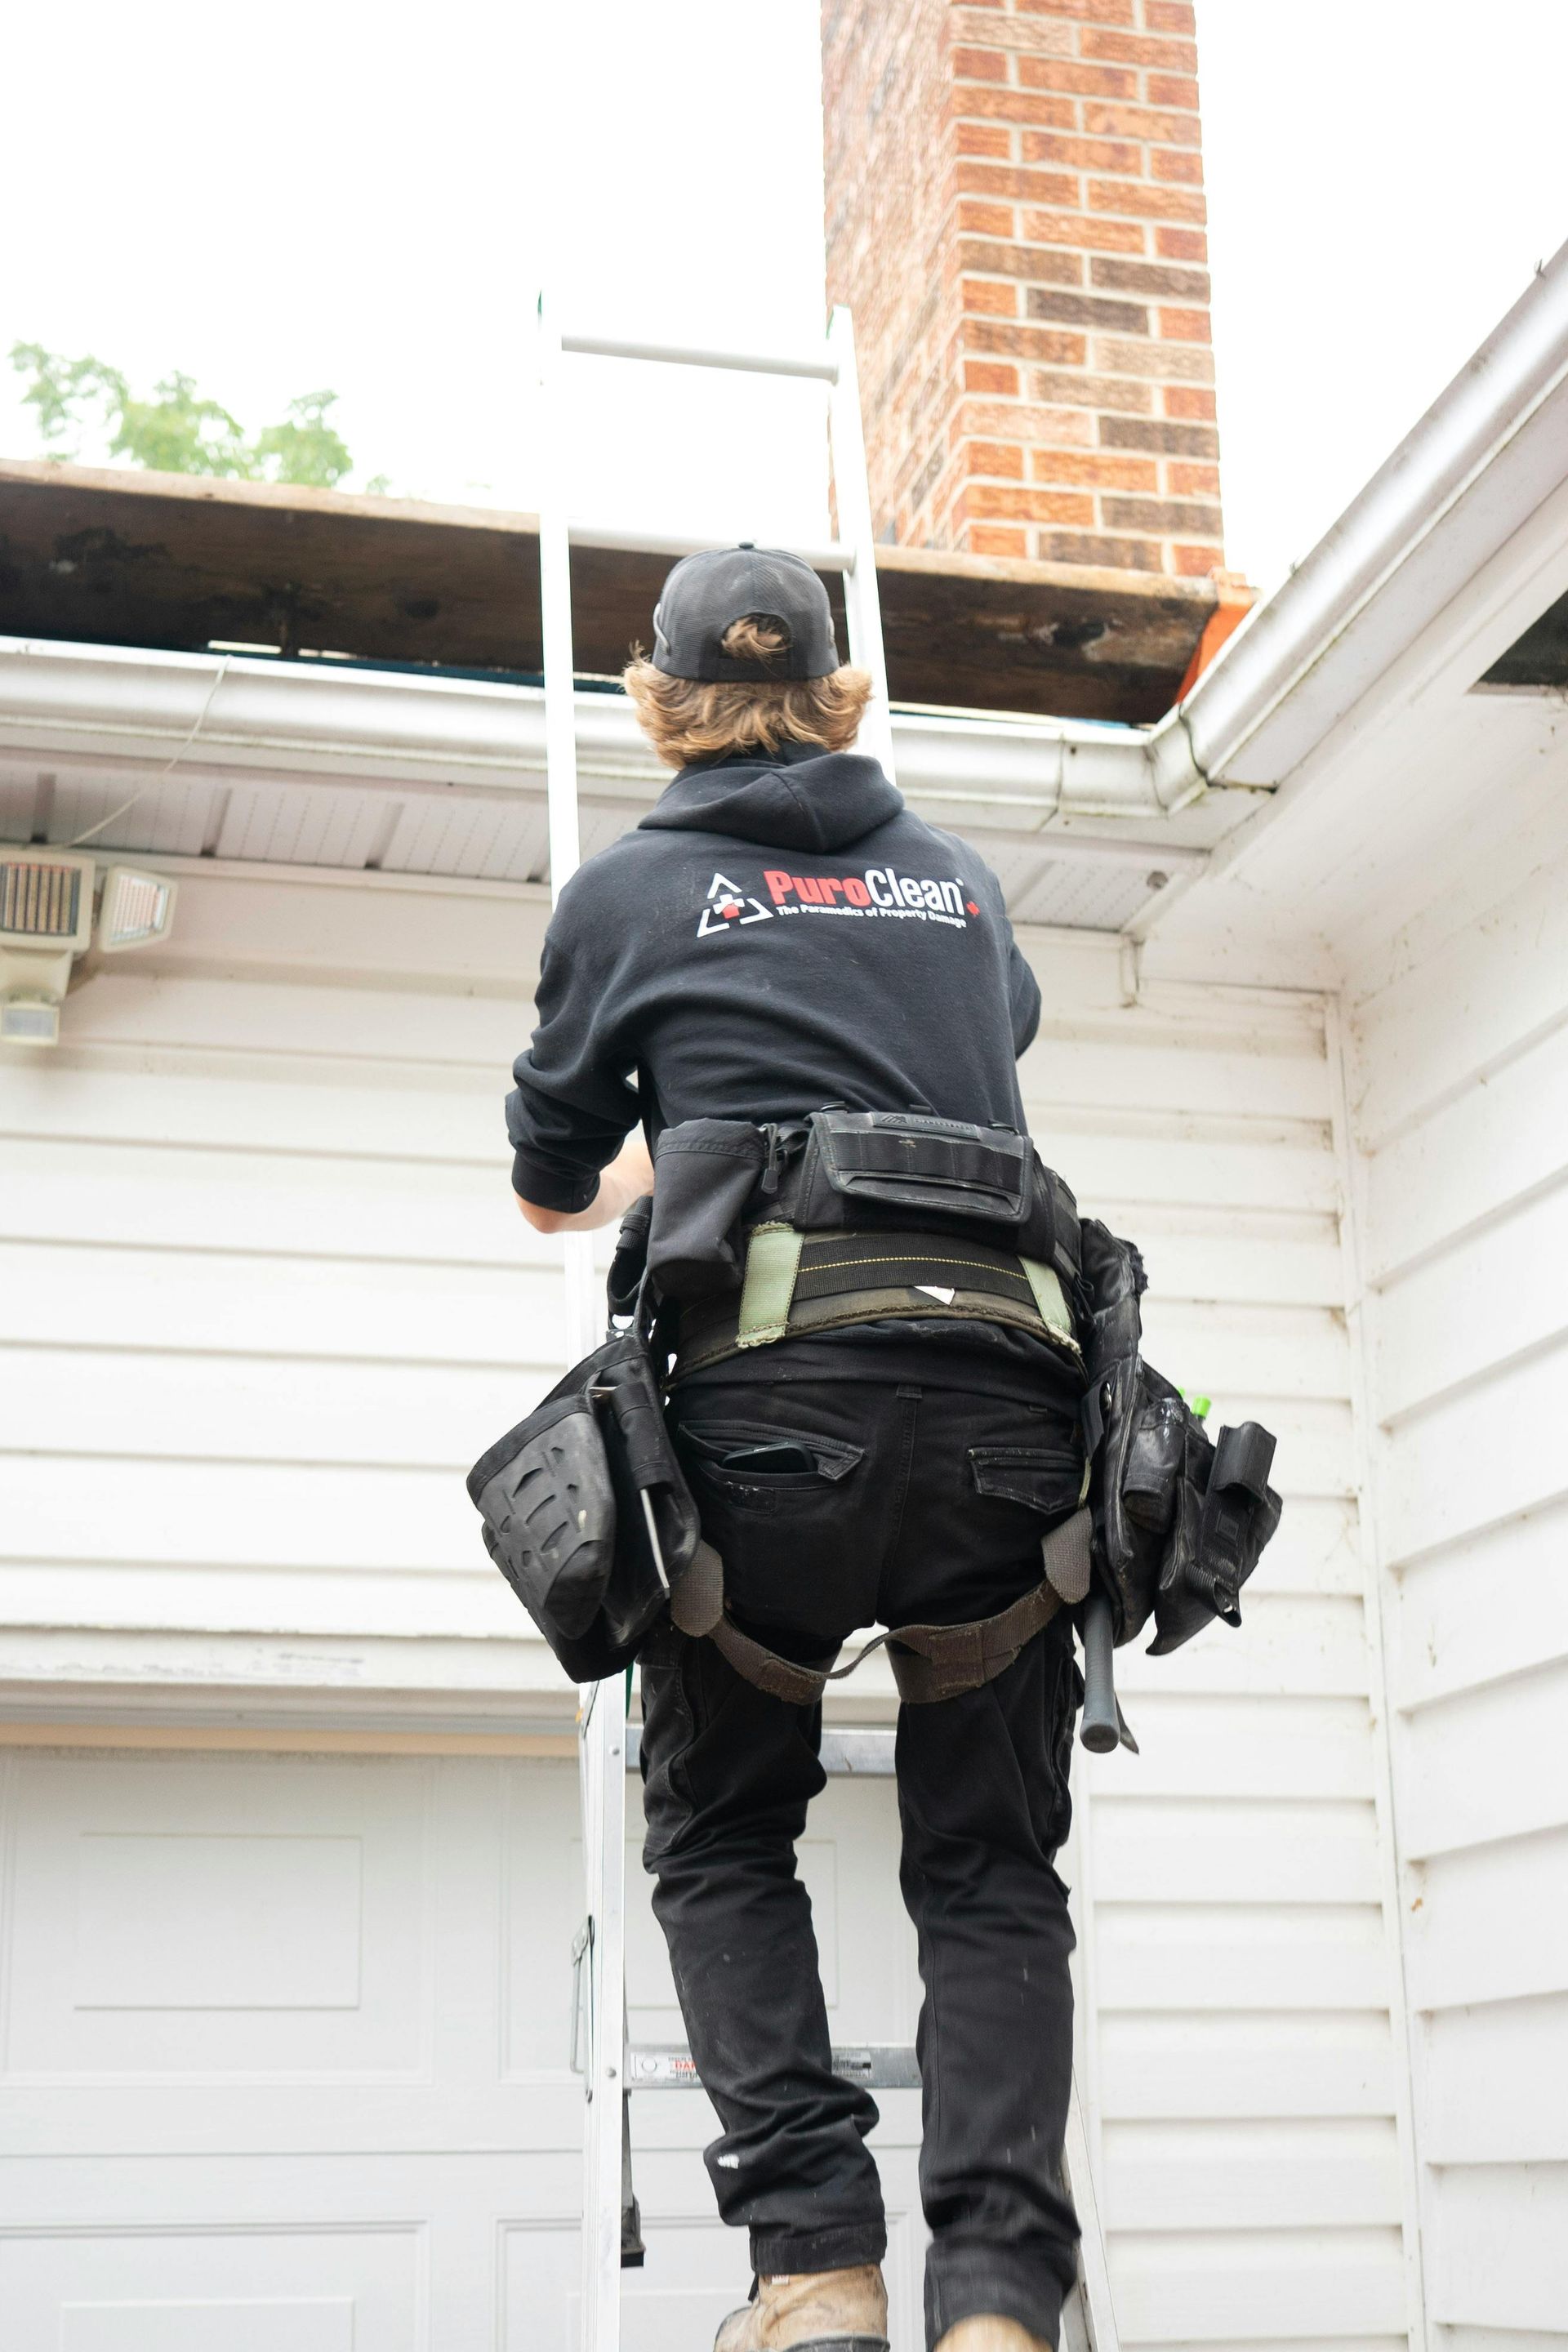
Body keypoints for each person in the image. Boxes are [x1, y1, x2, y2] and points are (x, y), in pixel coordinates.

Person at [507, 546, 1085, 2352]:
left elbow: (548, 1187)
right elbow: (975, 1071)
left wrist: (659, 1166)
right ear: (845, 693)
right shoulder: (963, 888)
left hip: (765, 1424)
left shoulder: (627, 896)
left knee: (726, 1834)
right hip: (1009, 1407)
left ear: (661, 701)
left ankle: (816, 2264)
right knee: (990, 1868)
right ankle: (997, 2302)